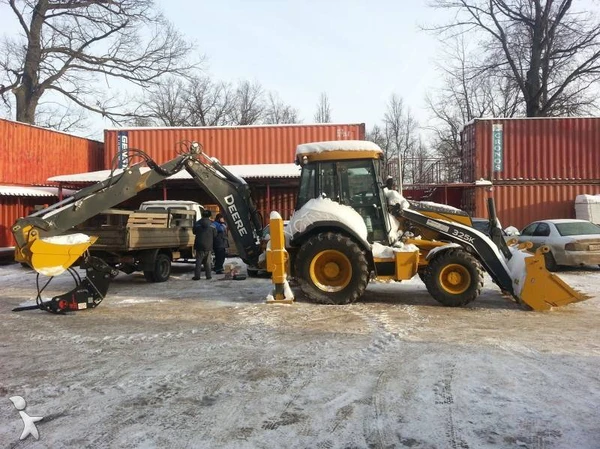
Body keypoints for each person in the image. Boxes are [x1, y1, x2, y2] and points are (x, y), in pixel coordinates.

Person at [193, 210, 216, 280]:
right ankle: (208, 276)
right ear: (209, 216)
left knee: (198, 262)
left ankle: (197, 276)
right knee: (208, 262)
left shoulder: (197, 223)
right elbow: (215, 235)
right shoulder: (212, 225)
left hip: (199, 245)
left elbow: (194, 232)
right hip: (208, 245)